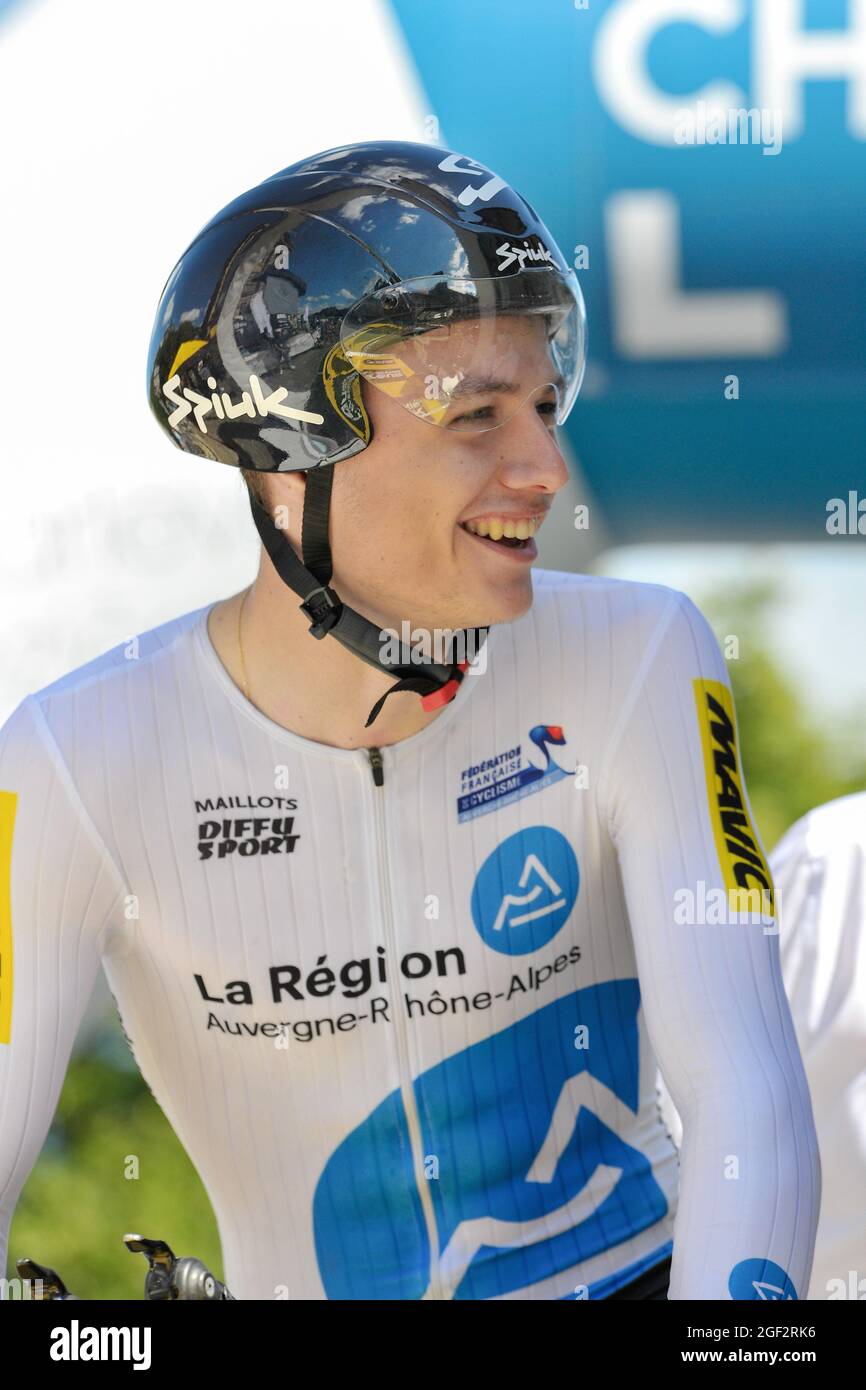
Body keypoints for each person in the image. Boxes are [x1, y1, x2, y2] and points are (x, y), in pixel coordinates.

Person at [0, 140, 819, 1300]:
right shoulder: (67, 761)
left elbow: (747, 1096)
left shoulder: (639, 653)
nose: (545, 466)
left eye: (544, 403)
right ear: (292, 454)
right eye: (477, 415)